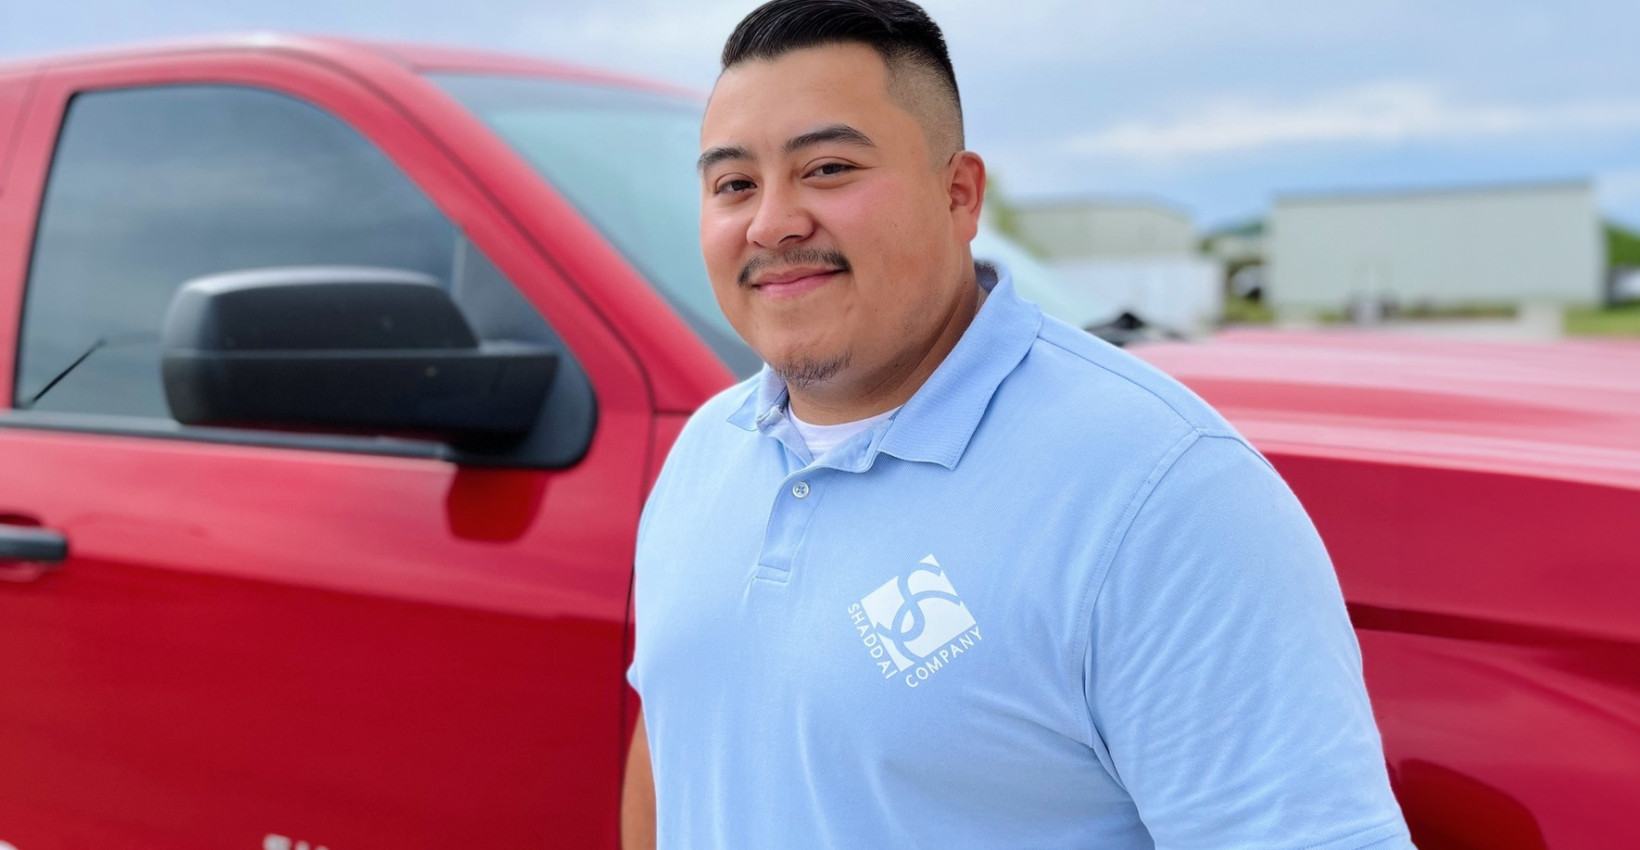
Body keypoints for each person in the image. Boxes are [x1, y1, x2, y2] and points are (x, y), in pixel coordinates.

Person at [623, 1, 1414, 847]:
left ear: (960, 194)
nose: (772, 222)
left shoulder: (1163, 495)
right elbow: (676, 748)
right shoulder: (708, 452)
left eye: (828, 169)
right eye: (734, 184)